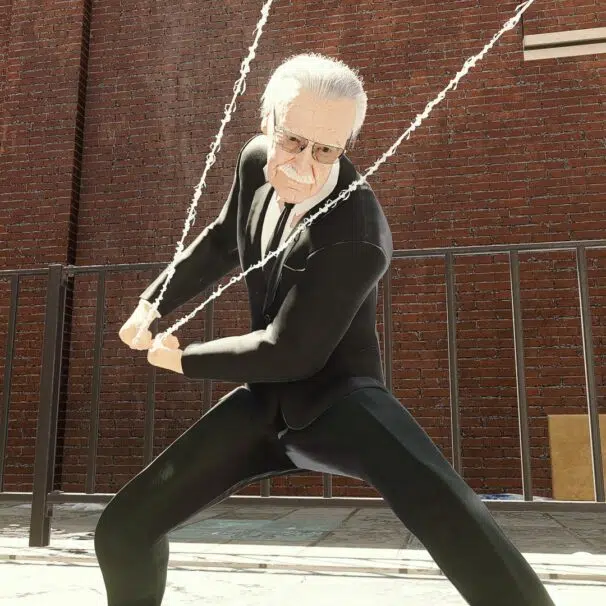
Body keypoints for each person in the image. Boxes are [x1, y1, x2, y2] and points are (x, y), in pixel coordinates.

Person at [94, 53, 555, 606]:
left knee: (462, 526)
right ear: (265, 122)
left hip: (341, 401)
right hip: (265, 403)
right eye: (291, 141)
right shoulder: (254, 161)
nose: (302, 166)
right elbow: (222, 238)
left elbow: (292, 351)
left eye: (326, 151)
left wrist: (183, 358)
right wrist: (152, 303)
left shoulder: (357, 233)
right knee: (123, 530)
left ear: (346, 146)